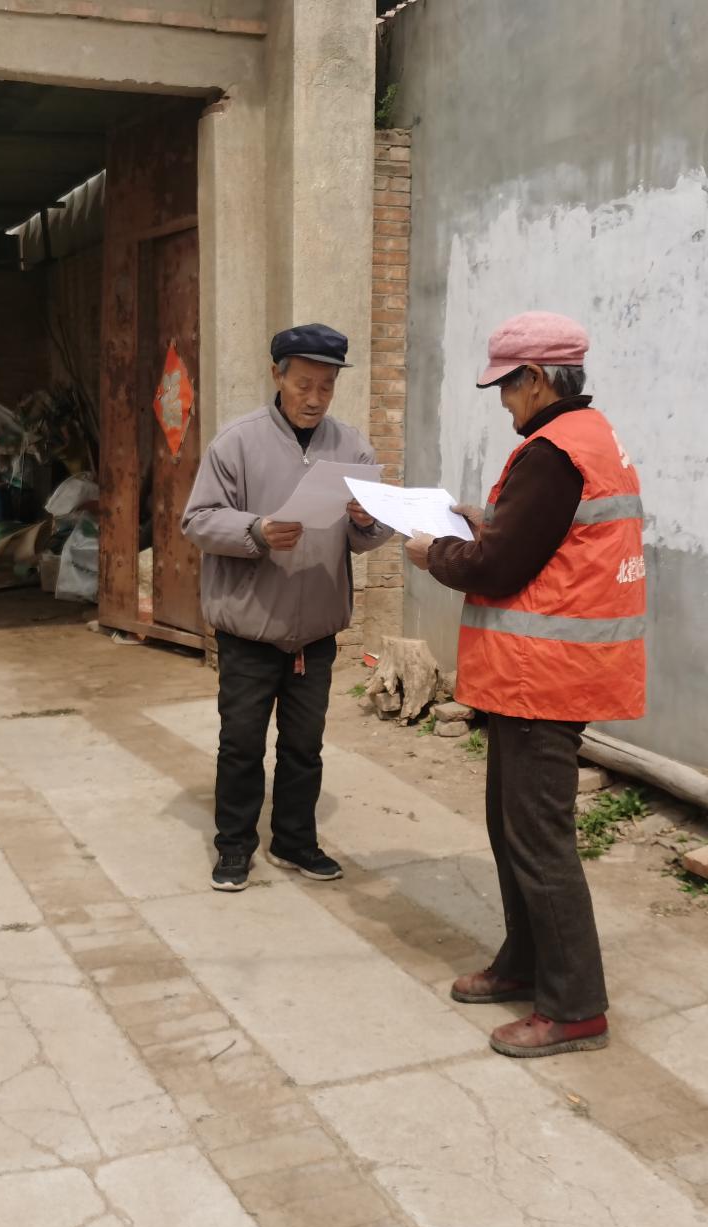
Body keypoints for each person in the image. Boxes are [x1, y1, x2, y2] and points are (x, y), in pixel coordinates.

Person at [406, 311, 647, 1058]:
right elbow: (541, 540)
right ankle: (524, 963)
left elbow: (498, 568)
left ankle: (574, 1007)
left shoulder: (552, 452)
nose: (504, 402)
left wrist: (433, 552)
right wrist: (485, 520)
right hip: (536, 679)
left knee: (539, 842)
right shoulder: (589, 437)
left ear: (537, 379)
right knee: (512, 828)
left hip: (545, 679)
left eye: (507, 388)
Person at [182, 323, 392, 893]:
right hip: (250, 629)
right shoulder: (236, 443)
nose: (315, 398)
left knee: (304, 745)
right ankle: (234, 846)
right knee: (241, 743)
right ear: (277, 376)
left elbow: (369, 538)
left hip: (314, 632)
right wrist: (256, 530)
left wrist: (368, 520)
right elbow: (197, 520)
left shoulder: (351, 448)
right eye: (304, 384)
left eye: (327, 386)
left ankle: (295, 841)